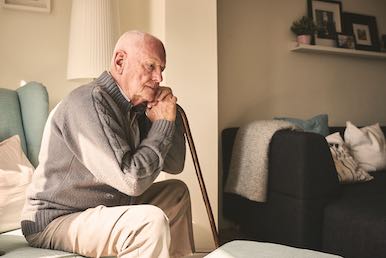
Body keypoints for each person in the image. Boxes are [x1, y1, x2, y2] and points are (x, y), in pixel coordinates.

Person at [21, 30, 195, 258]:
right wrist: (162, 123)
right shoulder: (88, 102)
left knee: (176, 193)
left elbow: (174, 163)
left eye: (162, 69)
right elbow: (132, 180)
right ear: (120, 62)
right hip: (57, 219)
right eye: (151, 66)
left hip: (105, 207)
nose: (159, 78)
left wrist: (167, 116)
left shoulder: (135, 107)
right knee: (148, 222)